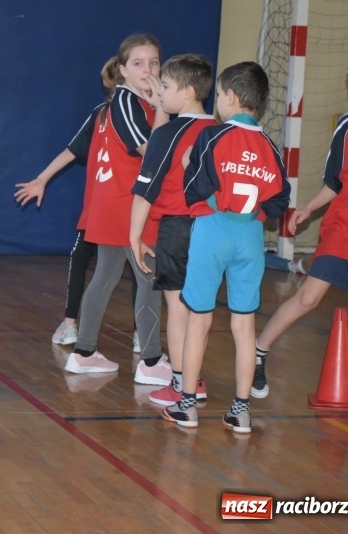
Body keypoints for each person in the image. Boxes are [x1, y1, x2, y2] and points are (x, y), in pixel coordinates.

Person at [254, 40, 348, 425]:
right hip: (345, 225)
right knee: (308, 297)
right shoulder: (346, 126)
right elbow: (335, 182)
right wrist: (309, 208)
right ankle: (258, 353)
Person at [162, 61, 290, 433]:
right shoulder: (270, 147)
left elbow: (194, 188)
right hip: (250, 237)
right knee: (244, 325)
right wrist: (252, 215)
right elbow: (280, 200)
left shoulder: (212, 137)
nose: (217, 100)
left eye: (218, 94)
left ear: (231, 98)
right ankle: (241, 410)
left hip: (212, 232)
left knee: (198, 320)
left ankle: (187, 405)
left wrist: (189, 165)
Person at [61, 34, 172, 383]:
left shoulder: (141, 103)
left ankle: (84, 353)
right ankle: (152, 361)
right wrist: (164, 108)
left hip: (121, 206)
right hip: (128, 207)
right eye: (139, 63)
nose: (148, 69)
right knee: (149, 280)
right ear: (123, 69)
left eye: (154, 62)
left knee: (106, 277)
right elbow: (149, 151)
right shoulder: (126, 101)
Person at [15, 57, 143, 349]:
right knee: (135, 265)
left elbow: (69, 153)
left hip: (118, 203)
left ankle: (74, 325)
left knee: (124, 264)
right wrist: (42, 179)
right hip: (111, 204)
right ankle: (131, 333)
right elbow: (72, 150)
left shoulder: (136, 114)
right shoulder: (102, 115)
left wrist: (43, 178)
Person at [129, 53, 218, 406]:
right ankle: (194, 380)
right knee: (201, 309)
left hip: (178, 228)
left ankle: (182, 384)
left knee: (177, 306)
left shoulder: (167, 134)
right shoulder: (220, 130)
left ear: (188, 90)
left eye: (165, 87)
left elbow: (145, 191)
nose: (159, 93)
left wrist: (134, 237)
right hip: (214, 228)